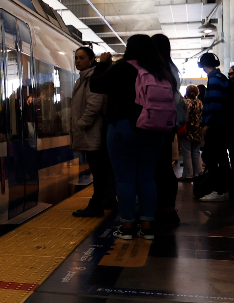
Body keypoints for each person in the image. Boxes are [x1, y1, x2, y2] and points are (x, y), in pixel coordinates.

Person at [90, 34, 174, 240]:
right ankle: (147, 225)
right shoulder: (160, 71)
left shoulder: (122, 67)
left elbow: (96, 85)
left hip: (123, 128)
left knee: (125, 179)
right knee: (147, 178)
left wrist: (103, 65)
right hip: (154, 131)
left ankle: (127, 226)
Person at [70, 46, 115, 216]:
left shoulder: (91, 78)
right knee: (99, 170)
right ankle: (103, 201)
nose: (78, 61)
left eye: (82, 58)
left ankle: (97, 205)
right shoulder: (83, 78)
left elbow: (94, 104)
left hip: (94, 132)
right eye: (76, 58)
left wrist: (81, 124)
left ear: (91, 60)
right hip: (91, 132)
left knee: (98, 171)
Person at [196, 52, 234, 201]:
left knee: (209, 155)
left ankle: (220, 189)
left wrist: (208, 124)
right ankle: (226, 188)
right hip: (222, 124)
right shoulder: (221, 78)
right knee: (220, 156)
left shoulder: (214, 79)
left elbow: (215, 103)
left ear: (203, 66)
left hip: (216, 125)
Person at [152, 34, 182, 225]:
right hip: (169, 124)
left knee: (159, 168)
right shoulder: (172, 69)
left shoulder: (159, 70)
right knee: (164, 167)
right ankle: (168, 209)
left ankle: (164, 209)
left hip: (158, 125)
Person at [178, 85, 204, 180]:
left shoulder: (186, 102)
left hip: (187, 131)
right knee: (196, 153)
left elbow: (182, 116)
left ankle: (188, 175)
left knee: (187, 153)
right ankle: (198, 174)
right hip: (198, 131)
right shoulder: (200, 102)